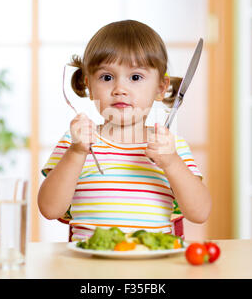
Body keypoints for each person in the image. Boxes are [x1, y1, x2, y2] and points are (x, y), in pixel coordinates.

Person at [38, 20, 211, 241]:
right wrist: (76, 153)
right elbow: (49, 209)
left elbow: (200, 213)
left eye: (135, 77)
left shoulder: (169, 147)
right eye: (107, 77)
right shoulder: (76, 142)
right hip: (90, 265)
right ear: (89, 85)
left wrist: (172, 162)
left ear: (160, 88)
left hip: (153, 267)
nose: (120, 89)